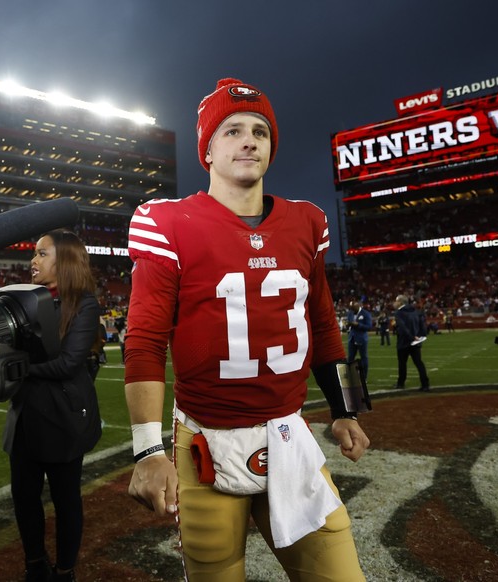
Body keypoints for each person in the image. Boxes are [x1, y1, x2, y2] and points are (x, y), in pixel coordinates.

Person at [123, 77, 370, 581]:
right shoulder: (167, 222)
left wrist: (346, 409)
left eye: (260, 130)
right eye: (232, 130)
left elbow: (323, 325)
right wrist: (147, 450)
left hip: (288, 434)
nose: (249, 139)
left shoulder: (307, 222)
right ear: (207, 149)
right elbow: (145, 340)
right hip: (206, 442)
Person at [2, 229, 103, 582]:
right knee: (24, 497)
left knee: (65, 499)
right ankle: (34, 565)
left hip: (63, 419)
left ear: (66, 261)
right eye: (34, 253)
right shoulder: (23, 301)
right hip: (25, 415)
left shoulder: (84, 303)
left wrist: (19, 367)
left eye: (42, 254)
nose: (33, 260)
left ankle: (64, 571)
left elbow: (69, 363)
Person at [393, 294, 430, 391]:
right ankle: (425, 384)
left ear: (400, 302)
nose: (394, 303)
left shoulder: (399, 313)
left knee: (402, 364)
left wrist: (411, 337)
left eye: (396, 301)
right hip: (416, 342)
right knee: (419, 363)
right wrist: (421, 336)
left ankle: (401, 383)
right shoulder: (416, 311)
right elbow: (423, 326)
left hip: (404, 342)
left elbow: (403, 327)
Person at [347, 298, 372, 383]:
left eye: (353, 307)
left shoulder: (366, 314)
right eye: (350, 308)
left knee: (363, 357)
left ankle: (364, 377)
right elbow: (349, 323)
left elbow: (369, 327)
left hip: (361, 338)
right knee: (350, 358)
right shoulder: (350, 313)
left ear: (358, 305)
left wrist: (358, 325)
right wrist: (348, 324)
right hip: (352, 337)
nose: (351, 310)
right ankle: (350, 376)